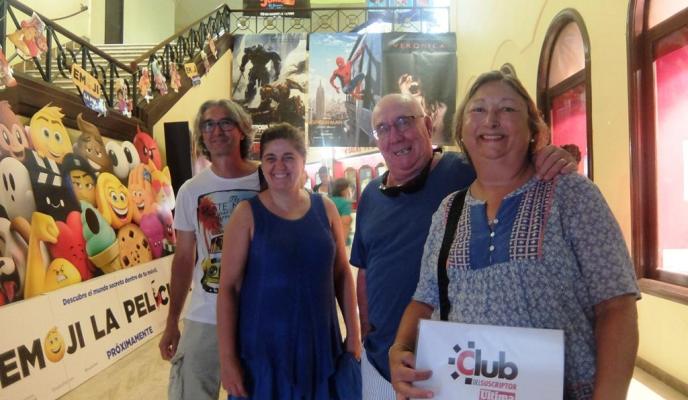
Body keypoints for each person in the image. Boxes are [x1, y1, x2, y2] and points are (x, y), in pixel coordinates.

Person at [389, 70, 639, 399]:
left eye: (507, 109)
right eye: (478, 109)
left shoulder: (571, 195)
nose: (491, 120)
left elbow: (616, 306)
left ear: (533, 129)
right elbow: (425, 300)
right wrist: (400, 348)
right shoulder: (449, 211)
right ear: (461, 129)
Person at [350, 92, 577, 399]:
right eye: (383, 128)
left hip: (453, 364)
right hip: (381, 362)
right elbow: (365, 271)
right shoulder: (371, 195)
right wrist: (367, 333)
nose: (395, 135)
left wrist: (545, 157)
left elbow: (514, 167)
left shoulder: (465, 171)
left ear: (427, 126)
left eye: (404, 122)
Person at [217, 123, 361, 399]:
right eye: (270, 158)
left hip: (320, 347)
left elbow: (342, 273)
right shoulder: (246, 215)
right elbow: (228, 289)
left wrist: (354, 335)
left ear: (303, 162)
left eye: (288, 157)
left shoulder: (326, 208)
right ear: (262, 165)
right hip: (264, 355)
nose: (279, 166)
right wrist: (227, 358)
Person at [158, 99, 262, 400]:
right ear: (201, 135)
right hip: (205, 313)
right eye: (208, 124)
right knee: (190, 390)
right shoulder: (191, 190)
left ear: (242, 129)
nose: (216, 130)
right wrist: (172, 322)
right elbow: (183, 259)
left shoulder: (266, 180)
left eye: (225, 122)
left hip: (259, 312)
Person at [331, 178, 354, 246]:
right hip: (341, 244)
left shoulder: (328, 200)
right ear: (344, 190)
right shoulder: (344, 203)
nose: (351, 192)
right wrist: (341, 246)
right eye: (350, 189)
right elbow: (345, 224)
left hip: (329, 241)